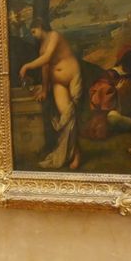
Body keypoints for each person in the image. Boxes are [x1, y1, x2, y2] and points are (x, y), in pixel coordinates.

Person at [19, 19, 82, 169]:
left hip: (73, 76)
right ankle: (75, 153)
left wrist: (26, 66)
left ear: (40, 27)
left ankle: (76, 154)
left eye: (33, 31)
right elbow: (45, 68)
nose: (33, 35)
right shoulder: (42, 48)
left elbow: (47, 58)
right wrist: (45, 89)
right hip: (58, 83)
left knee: (72, 115)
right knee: (66, 116)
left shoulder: (54, 36)